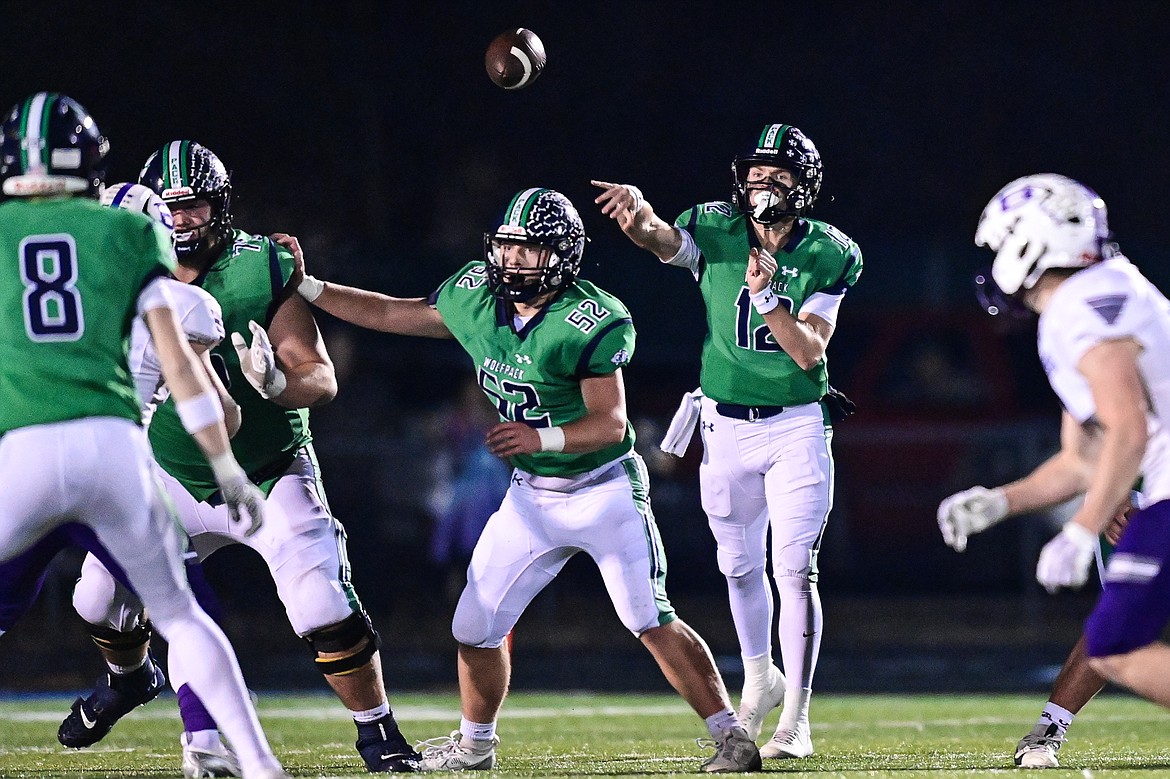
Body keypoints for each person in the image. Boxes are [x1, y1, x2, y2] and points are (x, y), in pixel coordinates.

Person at [285, 187, 762, 773]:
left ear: (561, 255)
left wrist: (543, 438)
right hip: (531, 498)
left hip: (603, 489)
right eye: (507, 247)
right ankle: (476, 747)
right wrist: (309, 288)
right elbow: (392, 312)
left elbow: (611, 426)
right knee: (474, 626)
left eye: (528, 250)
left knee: (647, 616)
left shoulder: (591, 319)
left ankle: (730, 736)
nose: (512, 261)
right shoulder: (475, 297)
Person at [64, 140, 419, 774]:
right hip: (166, 473)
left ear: (220, 208)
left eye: (193, 206)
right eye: (167, 207)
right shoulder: (122, 265)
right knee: (95, 599)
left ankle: (378, 730)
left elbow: (320, 377)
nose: (179, 221)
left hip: (267, 470)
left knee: (321, 605)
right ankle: (130, 678)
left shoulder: (261, 267)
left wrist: (279, 386)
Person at [0, 91, 288, 779]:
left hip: (25, 449)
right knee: (185, 614)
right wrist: (226, 466)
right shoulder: (134, 240)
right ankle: (257, 763)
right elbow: (186, 372)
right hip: (115, 448)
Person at [592, 123, 862, 758]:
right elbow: (666, 241)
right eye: (754, 172)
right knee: (737, 566)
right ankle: (759, 677)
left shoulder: (829, 252)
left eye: (777, 174)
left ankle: (795, 719)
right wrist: (638, 219)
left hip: (796, 423)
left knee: (793, 571)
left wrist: (767, 296)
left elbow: (808, 353)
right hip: (723, 423)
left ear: (805, 185)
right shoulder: (717, 227)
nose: (761, 183)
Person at [946, 172, 1170, 766]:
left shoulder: (1082, 303)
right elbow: (1081, 460)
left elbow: (1130, 428)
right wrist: (1000, 501)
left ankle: (1051, 726)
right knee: (1114, 638)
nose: (995, 262)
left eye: (1001, 245)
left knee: (1117, 644)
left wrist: (1082, 528)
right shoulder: (1098, 292)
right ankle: (1053, 725)